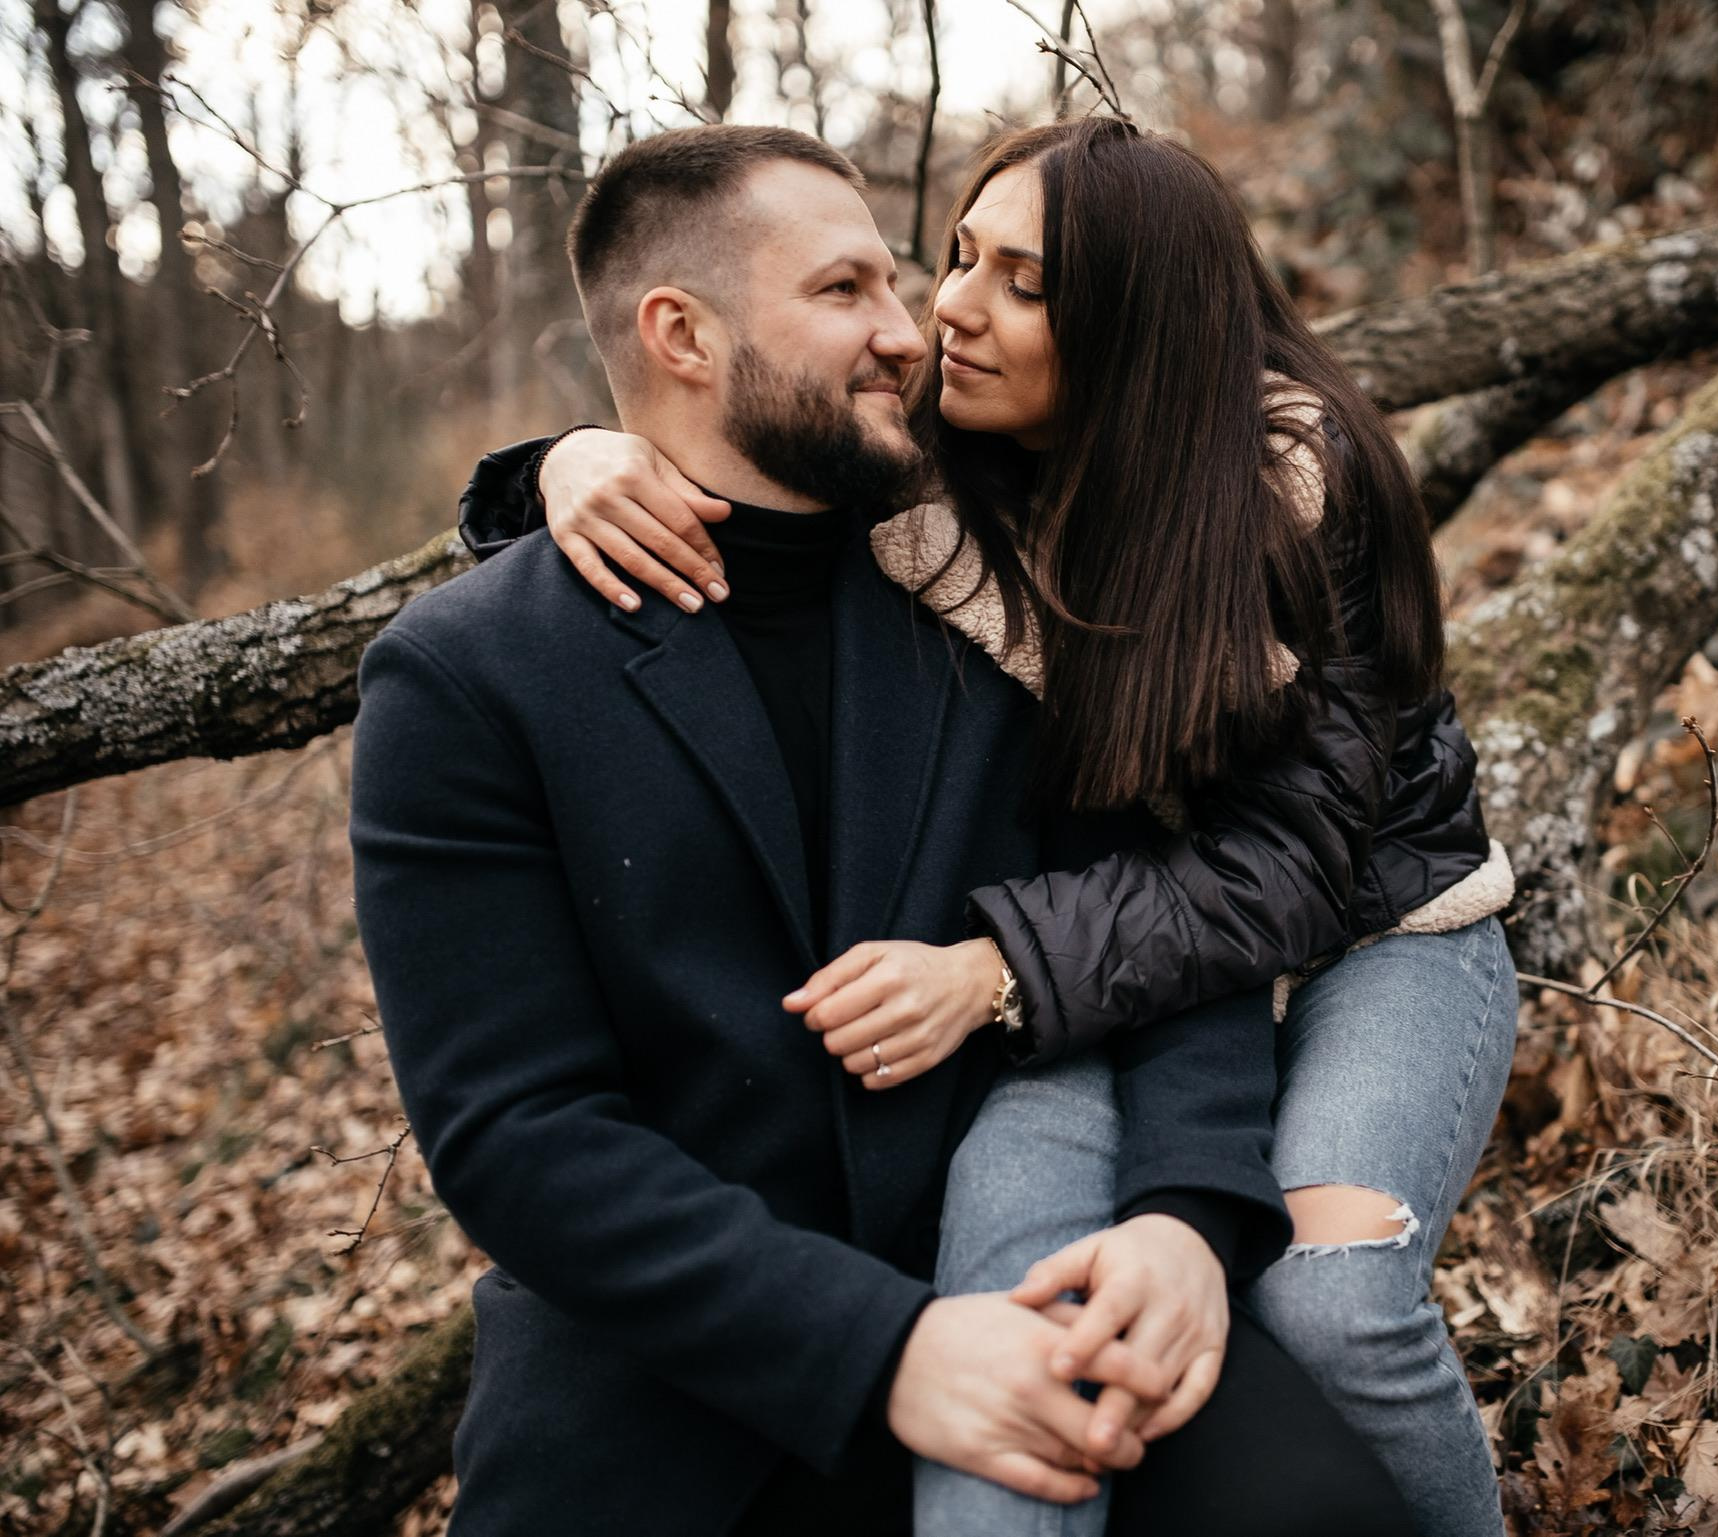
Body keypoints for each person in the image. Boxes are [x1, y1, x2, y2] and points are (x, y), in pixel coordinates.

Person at [352, 123, 1418, 1537]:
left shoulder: (982, 588)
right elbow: (515, 1131)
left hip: (1034, 1252)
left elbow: (1160, 895)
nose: (910, 334)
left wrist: (1183, 1208)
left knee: (1316, 1519)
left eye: (900, 287)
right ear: (681, 332)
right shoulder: (465, 677)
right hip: (686, 1375)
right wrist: (887, 1348)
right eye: (845, 292)